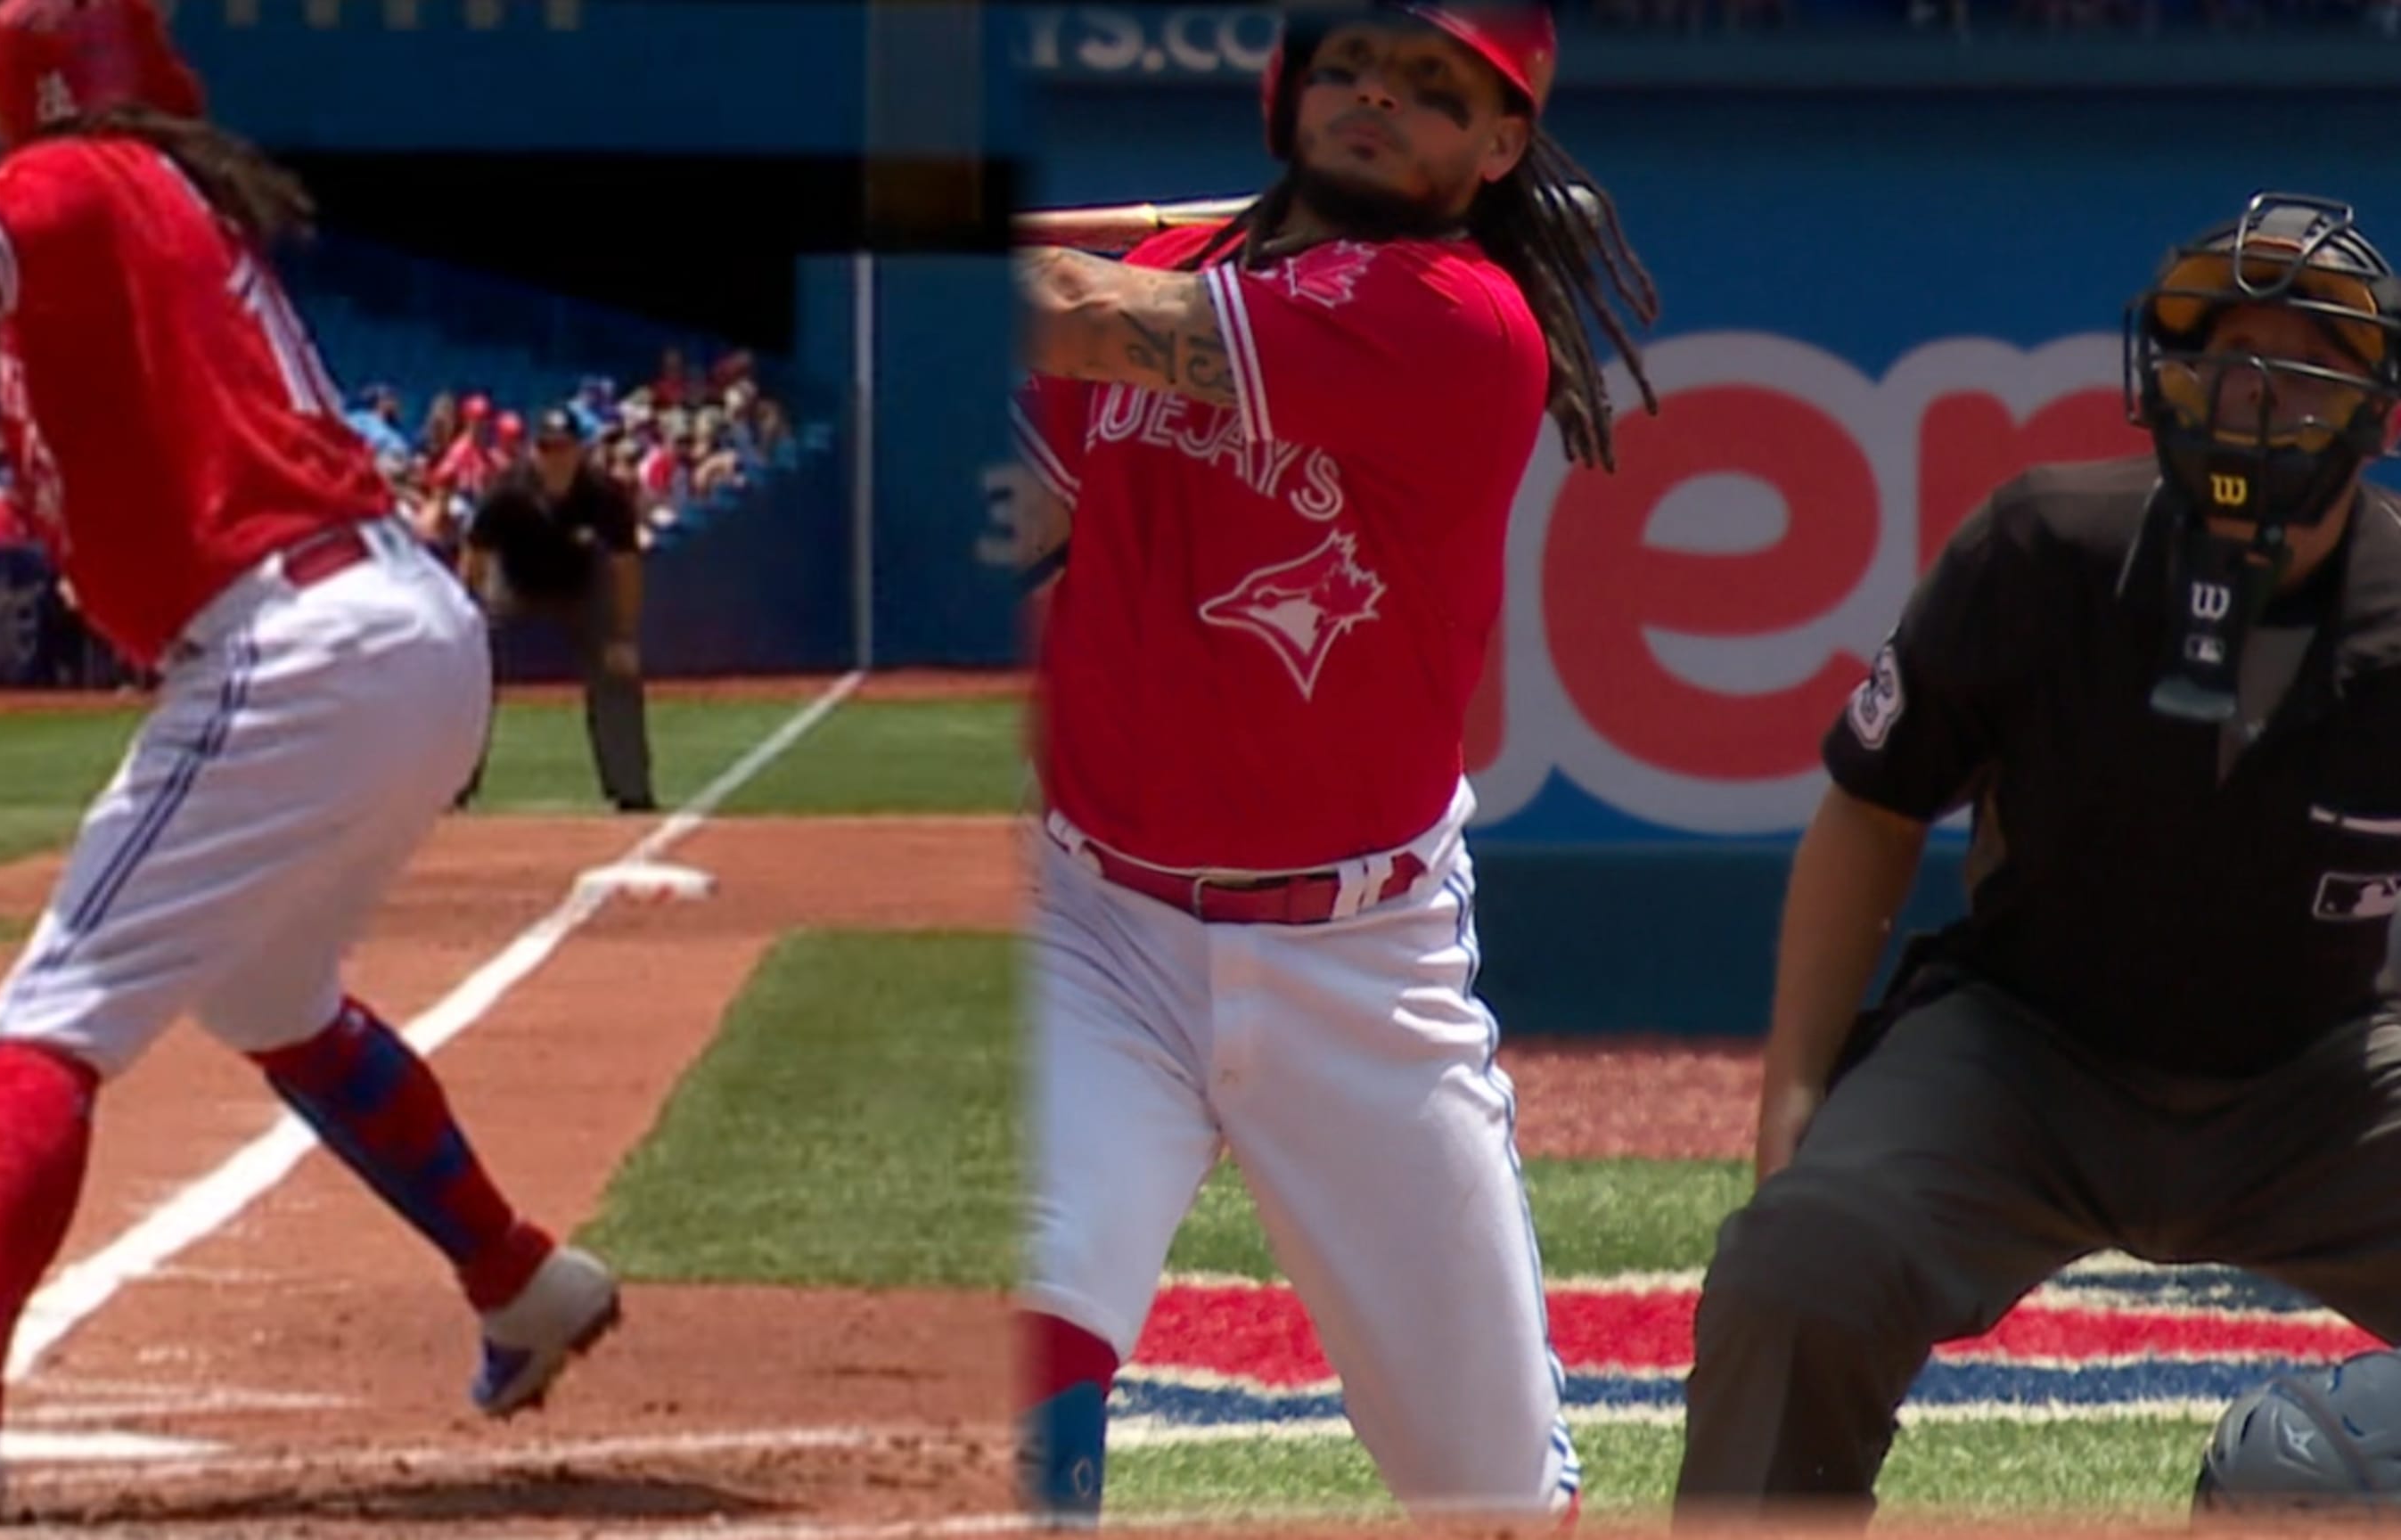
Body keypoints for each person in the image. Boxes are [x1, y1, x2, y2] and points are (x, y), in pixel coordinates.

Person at [0, 0, 619, 1517]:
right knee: (266, 994)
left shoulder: (80, 181)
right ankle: (519, 1276)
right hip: (387, 638)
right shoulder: (122, 244)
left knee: (50, 1009)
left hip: (289, 640)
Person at [1005, 1, 1659, 1524]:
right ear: (1283, 87)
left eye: (1436, 90)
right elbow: (1028, 530)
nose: (1379, 97)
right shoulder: (1167, 281)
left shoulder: (1455, 318)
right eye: (1354, 63)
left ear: (1501, 149)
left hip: (1358, 956)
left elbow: (1068, 312)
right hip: (1096, 921)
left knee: (1488, 1495)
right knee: (1032, 1332)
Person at [1673, 192, 2401, 1528]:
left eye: (2301, 373)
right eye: (2222, 360)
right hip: (2027, 1054)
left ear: (2376, 411)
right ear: (2163, 376)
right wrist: (1793, 1102)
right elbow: (1873, 806)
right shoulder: (2044, 544)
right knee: (1800, 1260)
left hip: (2323, 1070)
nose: (2250, 401)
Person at [458, 406, 655, 812]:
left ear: (579, 452)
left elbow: (626, 568)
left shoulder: (603, 494)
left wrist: (623, 635)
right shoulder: (508, 492)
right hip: (514, 582)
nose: (555, 460)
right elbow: (474, 560)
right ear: (533, 452)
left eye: (563, 449)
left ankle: (630, 787)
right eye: (546, 449)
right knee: (469, 673)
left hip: (582, 585)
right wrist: (464, 630)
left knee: (616, 673)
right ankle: (456, 783)